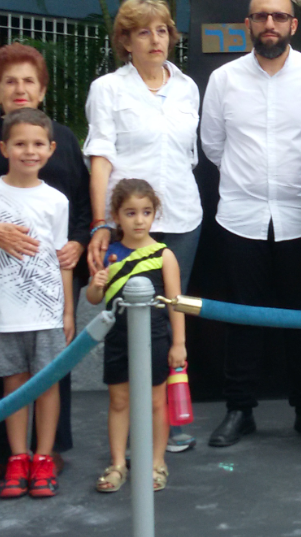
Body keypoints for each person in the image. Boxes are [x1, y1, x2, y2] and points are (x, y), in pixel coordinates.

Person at [201, 0, 301, 447]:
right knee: (242, 317)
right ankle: (239, 409)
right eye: (261, 17)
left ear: (293, 25)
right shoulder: (224, 79)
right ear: (248, 24)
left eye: (279, 17)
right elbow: (213, 145)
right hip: (240, 217)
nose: (269, 25)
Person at [0, 43, 91, 482]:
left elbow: (81, 204)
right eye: (9, 82)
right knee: (4, 371)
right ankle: (1, 453)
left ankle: (50, 449)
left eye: (29, 80)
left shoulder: (62, 139)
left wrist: (79, 243)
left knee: (53, 366)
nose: (20, 88)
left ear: (42, 90)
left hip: (53, 273)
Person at [83, 0, 201, 452]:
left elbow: (191, 156)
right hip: (129, 225)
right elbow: (100, 157)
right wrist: (101, 223)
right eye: (144, 32)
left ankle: (170, 421)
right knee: (130, 322)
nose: (156, 39)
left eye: (162, 30)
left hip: (183, 220)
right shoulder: (108, 89)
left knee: (173, 319)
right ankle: (130, 425)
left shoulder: (187, 88)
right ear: (126, 41)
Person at [0, 108, 75, 499]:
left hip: (47, 312)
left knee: (46, 385)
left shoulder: (57, 200)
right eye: (20, 144)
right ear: (4, 148)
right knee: (12, 386)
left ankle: (43, 457)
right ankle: (18, 457)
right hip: (4, 314)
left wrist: (67, 310)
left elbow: (63, 258)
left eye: (37, 144)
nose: (29, 151)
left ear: (50, 149)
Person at [87, 179, 186, 493]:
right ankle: (118, 463)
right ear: (116, 216)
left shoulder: (164, 255)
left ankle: (157, 462)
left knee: (157, 402)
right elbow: (93, 298)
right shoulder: (110, 254)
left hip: (155, 338)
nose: (139, 220)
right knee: (119, 401)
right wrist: (96, 284)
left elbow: (176, 303)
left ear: (155, 214)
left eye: (146, 212)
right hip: (117, 338)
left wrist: (179, 343)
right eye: (130, 213)